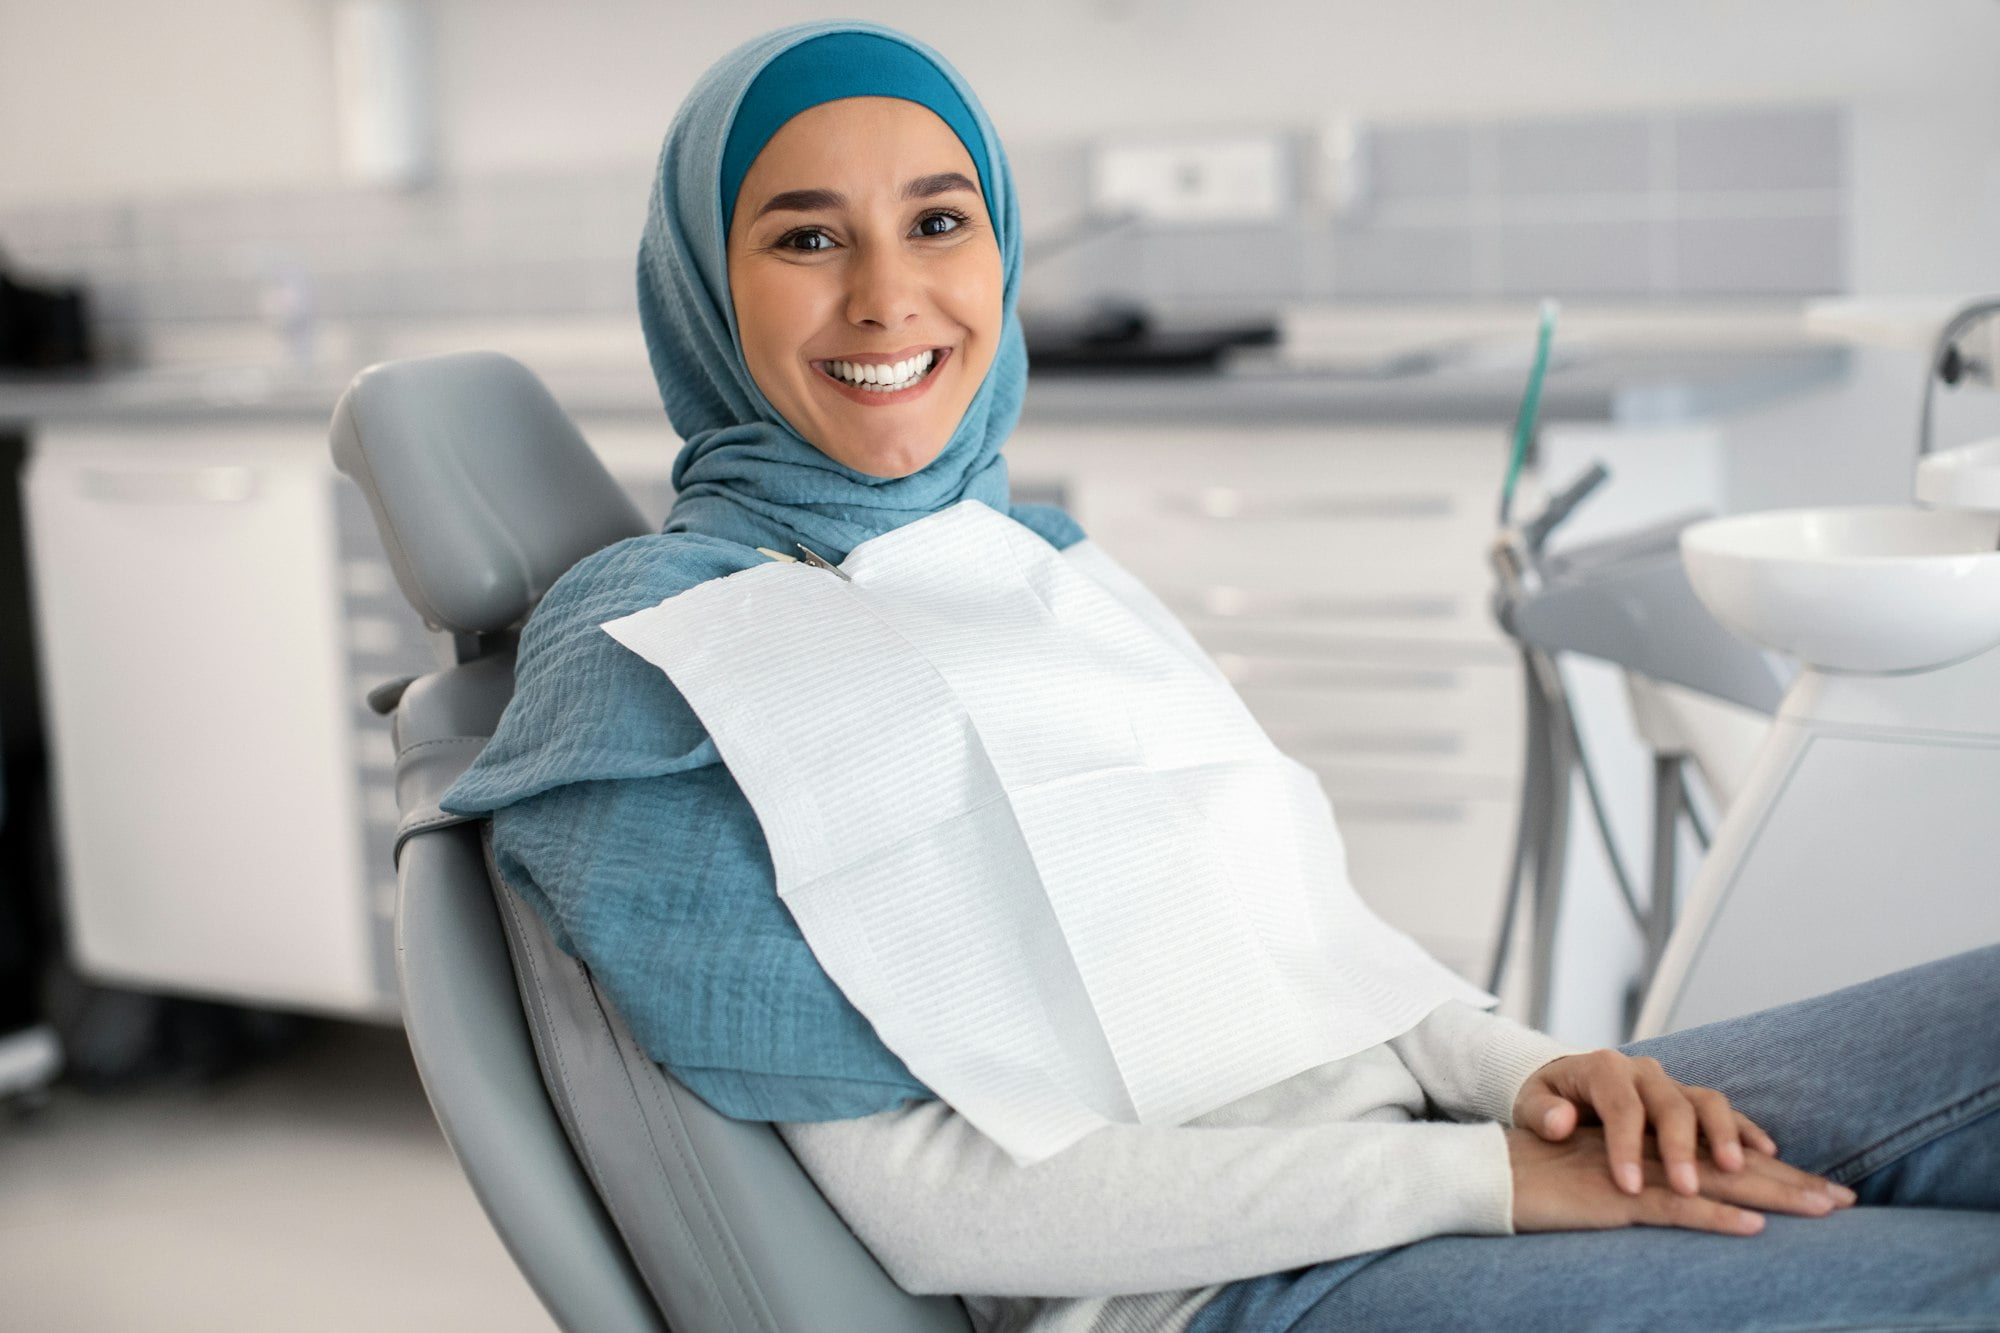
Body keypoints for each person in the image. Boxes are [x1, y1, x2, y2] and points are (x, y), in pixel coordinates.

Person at [441, 20, 2000, 1332]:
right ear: (701, 287)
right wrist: (1483, 1180)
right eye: (802, 236)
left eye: (937, 220)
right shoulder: (658, 652)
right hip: (1225, 1287)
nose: (885, 296)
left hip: (1418, 1134)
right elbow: (936, 1206)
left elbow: (1314, 956)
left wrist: (1537, 1079)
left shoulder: (1034, 561)